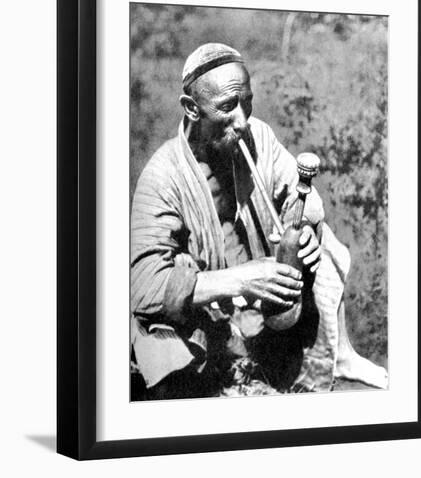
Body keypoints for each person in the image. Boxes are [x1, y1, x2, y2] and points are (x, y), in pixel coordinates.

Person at [131, 43, 388, 400]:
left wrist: (302, 230)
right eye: (226, 107)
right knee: (158, 340)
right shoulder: (162, 176)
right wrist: (243, 280)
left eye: (246, 102)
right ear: (191, 108)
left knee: (322, 240)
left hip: (262, 304)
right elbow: (143, 287)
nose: (242, 119)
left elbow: (305, 198)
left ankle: (339, 355)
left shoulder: (258, 137)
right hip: (209, 313)